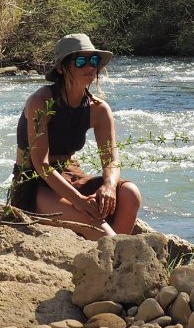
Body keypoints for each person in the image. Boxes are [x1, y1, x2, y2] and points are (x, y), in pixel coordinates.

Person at [9, 33, 142, 240]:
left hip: (72, 176)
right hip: (34, 181)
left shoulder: (99, 109)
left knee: (130, 194)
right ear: (61, 68)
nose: (90, 66)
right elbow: (41, 164)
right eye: (80, 60)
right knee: (91, 219)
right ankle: (114, 258)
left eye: (94, 60)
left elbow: (111, 160)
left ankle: (111, 257)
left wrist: (109, 185)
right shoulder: (40, 101)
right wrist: (80, 201)